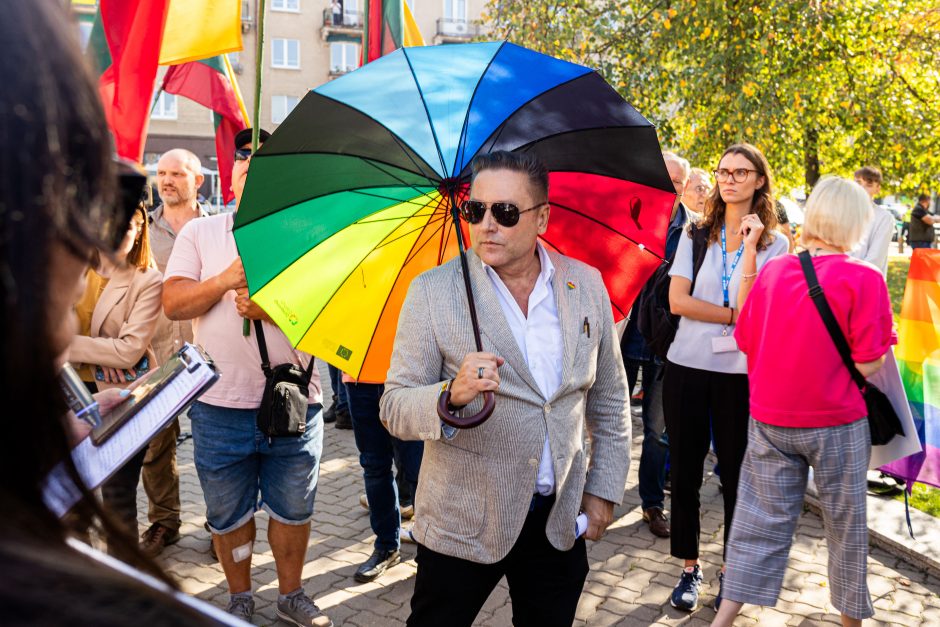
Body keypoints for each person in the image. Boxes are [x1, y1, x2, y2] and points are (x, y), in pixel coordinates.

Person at [0, 1, 239, 624]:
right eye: (84, 203)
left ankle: (163, 523)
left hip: (144, 382)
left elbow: (137, 339)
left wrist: (64, 445)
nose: (90, 252)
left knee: (158, 477)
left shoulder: (186, 245)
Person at [381, 151, 631, 627]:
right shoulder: (434, 291)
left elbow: (610, 398)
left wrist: (602, 492)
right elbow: (394, 406)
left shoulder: (586, 284)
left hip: (558, 521)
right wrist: (449, 394)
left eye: (506, 212)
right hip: (464, 522)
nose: (487, 225)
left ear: (542, 218)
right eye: (476, 211)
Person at [162, 127, 332, 626]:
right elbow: (174, 304)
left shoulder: (310, 234)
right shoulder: (200, 233)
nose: (249, 164)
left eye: (264, 158)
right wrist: (224, 282)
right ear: (230, 173)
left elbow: (327, 314)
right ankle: (239, 596)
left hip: (295, 403)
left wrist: (273, 310)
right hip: (216, 407)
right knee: (227, 514)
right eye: (241, 158)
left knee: (293, 510)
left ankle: (290, 594)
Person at [712, 176, 895, 627]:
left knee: (756, 524)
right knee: (845, 528)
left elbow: (748, 340)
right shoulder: (865, 278)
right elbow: (870, 363)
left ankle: (724, 619)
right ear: (856, 222)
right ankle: (850, 620)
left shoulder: (776, 271)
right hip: (836, 421)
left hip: (771, 418)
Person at [664, 143, 788, 612]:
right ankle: (688, 569)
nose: (729, 178)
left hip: (741, 374)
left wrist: (751, 248)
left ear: (760, 180)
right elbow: (678, 301)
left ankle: (730, 572)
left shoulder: (777, 244)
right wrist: (731, 313)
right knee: (687, 473)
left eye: (741, 171)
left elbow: (764, 309)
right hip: (687, 367)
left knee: (738, 476)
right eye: (722, 171)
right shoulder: (697, 233)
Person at [68, 205, 164, 544]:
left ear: (139, 230)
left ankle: (125, 582)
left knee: (118, 498)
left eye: (125, 226)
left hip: (122, 397)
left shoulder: (147, 279)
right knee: (71, 497)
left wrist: (65, 344)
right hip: (66, 391)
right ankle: (81, 578)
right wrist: (100, 348)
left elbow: (129, 351)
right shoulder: (71, 267)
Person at [137, 148, 209, 557]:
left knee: (217, 448)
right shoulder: (143, 230)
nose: (165, 180)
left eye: (176, 173)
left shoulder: (218, 227)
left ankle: (223, 525)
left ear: (197, 180)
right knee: (156, 446)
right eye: (161, 173)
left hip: (210, 356)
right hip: (157, 356)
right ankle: (164, 522)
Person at [620, 150, 693, 539]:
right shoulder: (629, 216)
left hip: (668, 344)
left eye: (676, 182)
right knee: (609, 423)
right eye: (663, 178)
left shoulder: (696, 231)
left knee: (658, 431)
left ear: (684, 189)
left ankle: (652, 503)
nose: (669, 187)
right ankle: (600, 493)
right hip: (624, 337)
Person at [345, 377, 423, 582]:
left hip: (407, 382)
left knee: (418, 471)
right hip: (359, 381)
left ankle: (429, 552)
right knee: (374, 467)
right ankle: (386, 547)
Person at [849, 166, 893, 275]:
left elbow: (875, 259)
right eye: (858, 182)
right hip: (839, 281)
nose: (862, 188)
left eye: (868, 185)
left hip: (866, 281)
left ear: (877, 189)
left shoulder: (884, 218)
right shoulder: (841, 213)